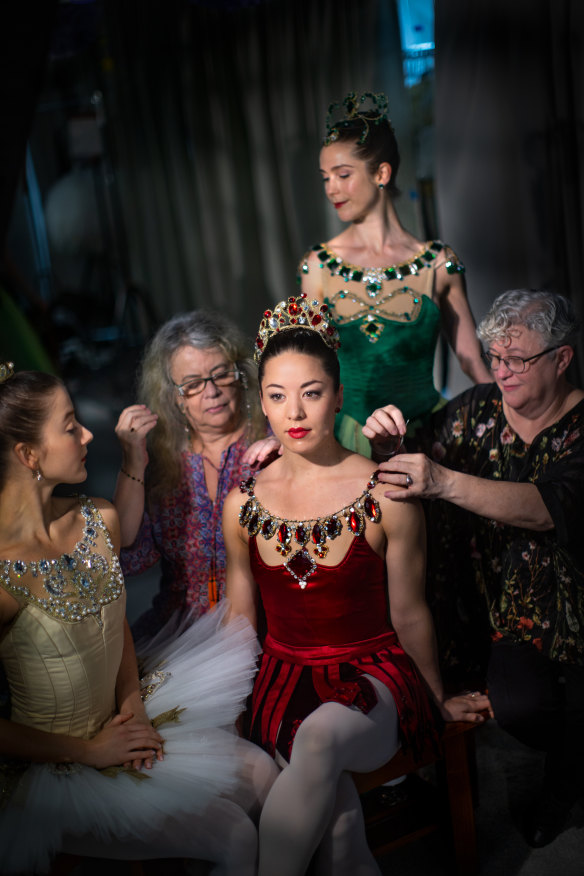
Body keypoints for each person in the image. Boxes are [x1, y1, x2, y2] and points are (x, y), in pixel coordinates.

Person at [222, 294, 490, 876]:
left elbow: (412, 612)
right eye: (276, 395)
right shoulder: (242, 503)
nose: (294, 411)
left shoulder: (385, 494)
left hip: (374, 679)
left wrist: (438, 698)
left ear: (338, 397)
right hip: (280, 683)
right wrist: (225, 710)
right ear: (261, 404)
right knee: (341, 829)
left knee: (320, 741)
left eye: (311, 393)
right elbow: (240, 621)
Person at [0, 364, 278, 875]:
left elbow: (116, 624)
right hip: (57, 763)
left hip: (126, 714)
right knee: (236, 836)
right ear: (28, 455)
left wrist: (132, 704)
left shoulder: (97, 518)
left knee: (266, 778)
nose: (87, 434)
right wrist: (88, 751)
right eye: (69, 426)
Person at [363, 289, 584, 849]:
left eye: (519, 359)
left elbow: (546, 507)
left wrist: (443, 479)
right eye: (495, 357)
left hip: (569, 616)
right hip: (491, 609)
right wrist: (392, 445)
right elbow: (416, 460)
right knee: (515, 705)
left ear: (562, 359)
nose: (502, 371)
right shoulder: (474, 410)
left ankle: (567, 777)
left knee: (553, 712)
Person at [298, 90, 491, 454]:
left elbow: (469, 358)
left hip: (428, 436)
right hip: (348, 440)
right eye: (325, 178)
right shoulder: (318, 265)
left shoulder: (438, 262)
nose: (331, 189)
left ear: (381, 173)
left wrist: (513, 413)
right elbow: (308, 362)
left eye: (342, 174)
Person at [114, 310, 277, 641]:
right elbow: (128, 555)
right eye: (192, 384)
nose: (212, 391)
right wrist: (132, 463)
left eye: (221, 374)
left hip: (269, 627)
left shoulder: (274, 442)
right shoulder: (161, 461)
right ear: (173, 396)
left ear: (241, 375)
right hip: (180, 630)